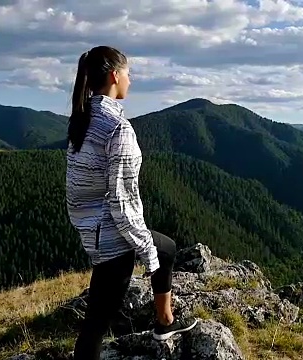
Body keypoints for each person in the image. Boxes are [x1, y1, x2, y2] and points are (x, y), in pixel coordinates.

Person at [65, 45, 198, 360]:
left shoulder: (82, 120)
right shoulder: (117, 129)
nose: (131, 79)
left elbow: (76, 187)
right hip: (112, 236)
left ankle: (165, 320)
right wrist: (145, 251)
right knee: (96, 323)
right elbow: (123, 204)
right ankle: (164, 321)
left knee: (167, 247)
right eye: (128, 73)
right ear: (114, 75)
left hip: (93, 227)